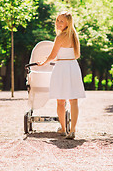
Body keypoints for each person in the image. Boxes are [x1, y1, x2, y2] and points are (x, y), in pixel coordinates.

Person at [37, 11, 86, 139]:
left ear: (68, 23)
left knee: (60, 101)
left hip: (61, 68)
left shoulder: (59, 37)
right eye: (57, 20)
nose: (58, 23)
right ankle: (73, 130)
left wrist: (43, 63)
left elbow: (52, 56)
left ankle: (64, 129)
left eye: (61, 21)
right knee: (73, 100)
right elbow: (77, 55)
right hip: (73, 67)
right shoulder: (74, 36)